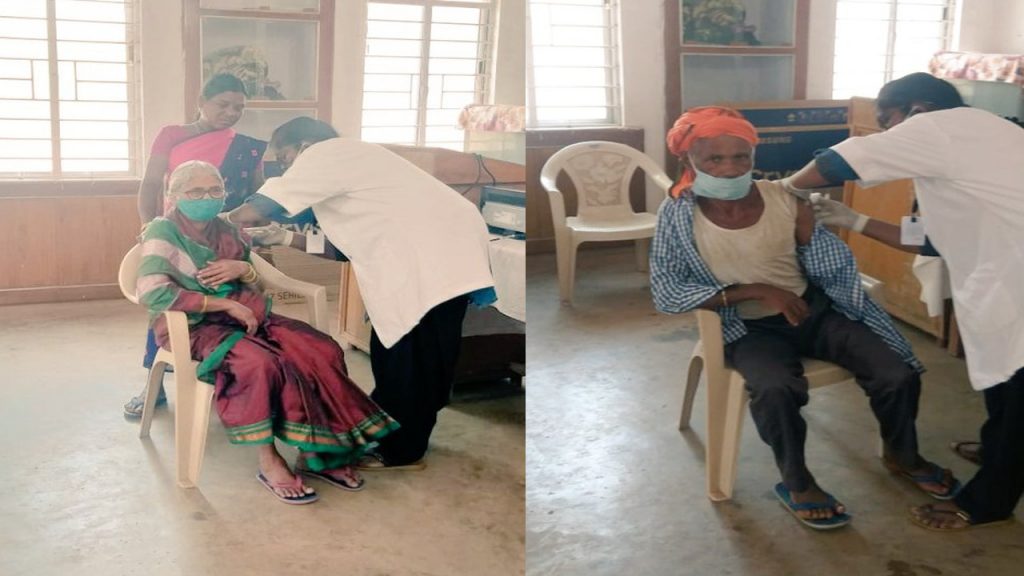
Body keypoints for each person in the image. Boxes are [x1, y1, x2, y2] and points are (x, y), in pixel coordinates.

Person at [650, 106, 959, 530]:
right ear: (689, 160)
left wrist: (828, 231)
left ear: (754, 156)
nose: (729, 168)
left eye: (741, 157)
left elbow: (827, 265)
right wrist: (756, 290)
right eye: (714, 159)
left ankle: (902, 454)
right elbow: (667, 290)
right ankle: (797, 481)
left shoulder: (783, 198)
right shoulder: (677, 214)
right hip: (746, 328)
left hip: (810, 312)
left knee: (896, 373)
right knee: (775, 389)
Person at [781, 72, 1024, 531]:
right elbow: (932, 238)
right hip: (1005, 275)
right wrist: (854, 219)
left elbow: (836, 162)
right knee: (1005, 382)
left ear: (916, 108)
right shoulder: (982, 132)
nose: (889, 135)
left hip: (1015, 281)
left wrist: (781, 190)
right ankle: (996, 450)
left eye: (887, 122)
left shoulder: (935, 126)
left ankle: (988, 501)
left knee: (1019, 399)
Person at [227, 117, 495, 471]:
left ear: (304, 145)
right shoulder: (352, 164)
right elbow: (340, 248)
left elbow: (259, 206)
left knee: (411, 354)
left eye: (285, 157)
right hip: (444, 247)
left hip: (431, 254)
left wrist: (214, 220)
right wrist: (284, 237)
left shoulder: (327, 154)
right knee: (410, 349)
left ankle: (402, 450)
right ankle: (390, 429)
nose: (286, 167)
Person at [137, 160, 398, 504]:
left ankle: (316, 451)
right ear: (174, 195)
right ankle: (268, 458)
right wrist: (224, 305)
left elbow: (255, 278)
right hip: (195, 326)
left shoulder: (227, 228)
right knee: (259, 363)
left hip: (249, 315)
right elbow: (153, 292)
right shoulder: (162, 232)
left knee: (321, 349)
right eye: (196, 192)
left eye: (215, 190)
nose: (207, 198)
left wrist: (242, 269)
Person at [125, 73, 267, 418]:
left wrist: (247, 238)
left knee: (230, 302)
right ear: (201, 102)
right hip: (178, 232)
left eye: (238, 107)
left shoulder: (248, 146)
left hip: (224, 234)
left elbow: (257, 193)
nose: (230, 113)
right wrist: (148, 226)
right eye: (222, 104)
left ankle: (230, 378)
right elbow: (151, 183)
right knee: (168, 304)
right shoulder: (173, 135)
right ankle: (153, 386)